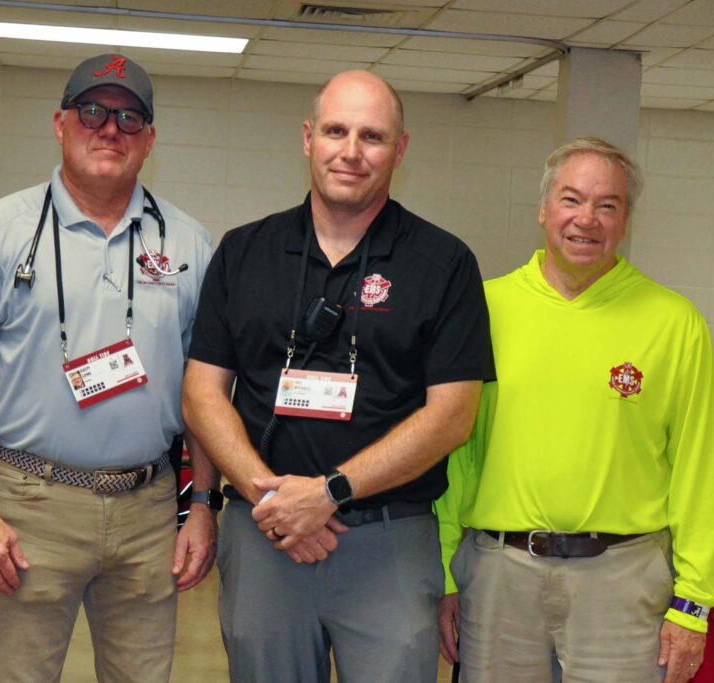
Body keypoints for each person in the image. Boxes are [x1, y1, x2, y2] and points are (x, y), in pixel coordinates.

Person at [181, 70, 493, 683]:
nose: (351, 152)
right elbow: (201, 391)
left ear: (400, 149)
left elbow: (453, 415)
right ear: (307, 138)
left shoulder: (444, 263)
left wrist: (327, 494)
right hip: (264, 533)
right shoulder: (245, 252)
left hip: (388, 543)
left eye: (372, 136)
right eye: (336, 131)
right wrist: (272, 498)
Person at [0, 53, 219, 682]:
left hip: (148, 509)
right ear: (60, 123)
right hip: (30, 506)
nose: (110, 128)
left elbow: (207, 390)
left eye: (129, 117)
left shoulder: (189, 245)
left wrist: (203, 506)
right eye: (92, 111)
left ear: (149, 140)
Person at [435, 136, 714, 683]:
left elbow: (700, 472)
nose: (587, 220)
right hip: (500, 576)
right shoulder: (484, 308)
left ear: (626, 220)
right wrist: (444, 574)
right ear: (544, 209)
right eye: (571, 200)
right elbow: (456, 455)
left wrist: (694, 601)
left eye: (608, 205)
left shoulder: (674, 322)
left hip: (624, 583)